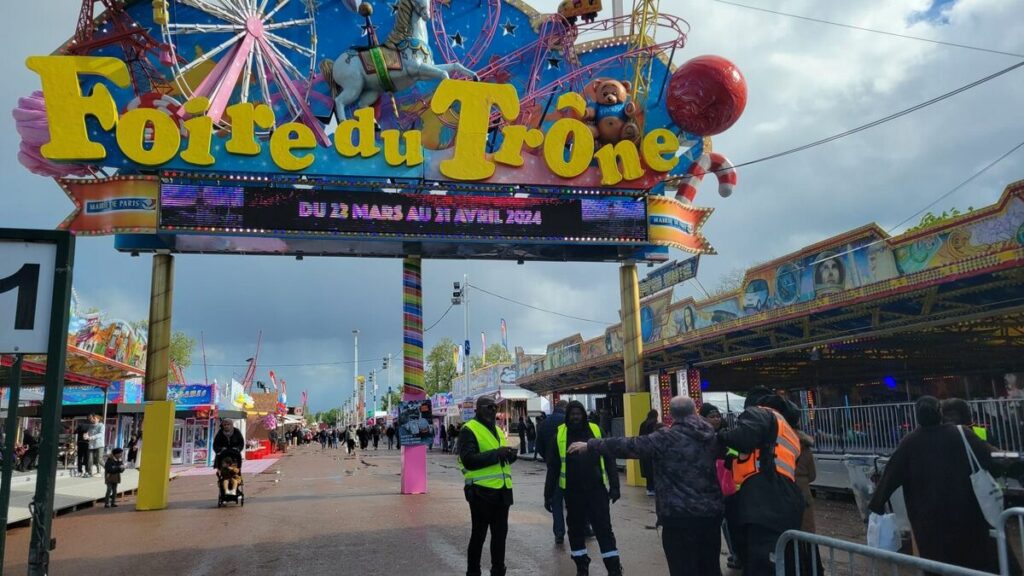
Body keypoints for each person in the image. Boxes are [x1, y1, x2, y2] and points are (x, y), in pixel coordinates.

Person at [569, 396, 722, 576]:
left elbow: (628, 445)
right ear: (695, 411)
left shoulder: (666, 438)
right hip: (711, 514)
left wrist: (591, 444)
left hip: (678, 516)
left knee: (683, 568)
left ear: (671, 414)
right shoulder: (712, 436)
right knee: (710, 567)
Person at [869, 396, 1000, 574]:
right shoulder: (960, 434)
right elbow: (992, 459)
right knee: (972, 565)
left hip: (929, 524)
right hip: (967, 517)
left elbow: (890, 476)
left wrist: (877, 504)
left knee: (936, 567)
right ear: (939, 414)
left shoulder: (910, 442)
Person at [717, 386, 804, 576]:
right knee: (779, 557)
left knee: (760, 560)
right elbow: (765, 456)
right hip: (786, 496)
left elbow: (744, 438)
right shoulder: (787, 430)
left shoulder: (760, 412)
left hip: (763, 496)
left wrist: (720, 436)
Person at [545, 401, 622, 576]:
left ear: (584, 415)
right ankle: (581, 566)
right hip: (572, 493)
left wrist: (615, 486)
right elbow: (553, 468)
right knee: (576, 530)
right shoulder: (559, 434)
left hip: (597, 490)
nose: (575, 417)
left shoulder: (595, 430)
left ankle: (614, 568)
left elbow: (609, 459)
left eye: (578, 413)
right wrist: (548, 494)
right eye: (572, 414)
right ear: (567, 416)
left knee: (604, 529)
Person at [458, 396, 517, 576]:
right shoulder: (469, 429)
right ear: (477, 409)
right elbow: (468, 460)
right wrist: (496, 454)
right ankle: (473, 571)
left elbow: (499, 458)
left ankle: (498, 570)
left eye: (494, 407)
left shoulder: (499, 431)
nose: (492, 410)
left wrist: (509, 455)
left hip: (502, 491)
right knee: (479, 535)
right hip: (481, 492)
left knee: (500, 536)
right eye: (488, 407)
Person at [700, 403, 740, 571]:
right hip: (708, 487)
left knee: (729, 522)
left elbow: (736, 452)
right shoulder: (700, 436)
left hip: (729, 484)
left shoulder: (727, 435)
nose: (716, 419)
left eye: (717, 416)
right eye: (712, 416)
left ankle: (736, 554)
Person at [786, 410, 823, 575]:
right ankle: (814, 569)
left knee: (791, 534)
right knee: (808, 534)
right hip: (805, 492)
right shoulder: (805, 446)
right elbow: (813, 476)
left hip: (787, 490)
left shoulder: (781, 442)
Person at [535, 400, 568, 543]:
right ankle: (584, 527)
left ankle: (559, 532)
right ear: (565, 409)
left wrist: (548, 458)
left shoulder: (544, 424)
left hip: (553, 468)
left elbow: (539, 445)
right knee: (576, 500)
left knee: (556, 501)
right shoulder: (568, 421)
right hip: (571, 467)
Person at [638, 409, 663, 497]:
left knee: (648, 471)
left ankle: (649, 488)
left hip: (644, 451)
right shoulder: (655, 425)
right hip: (653, 451)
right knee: (654, 470)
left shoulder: (643, 424)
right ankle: (654, 488)